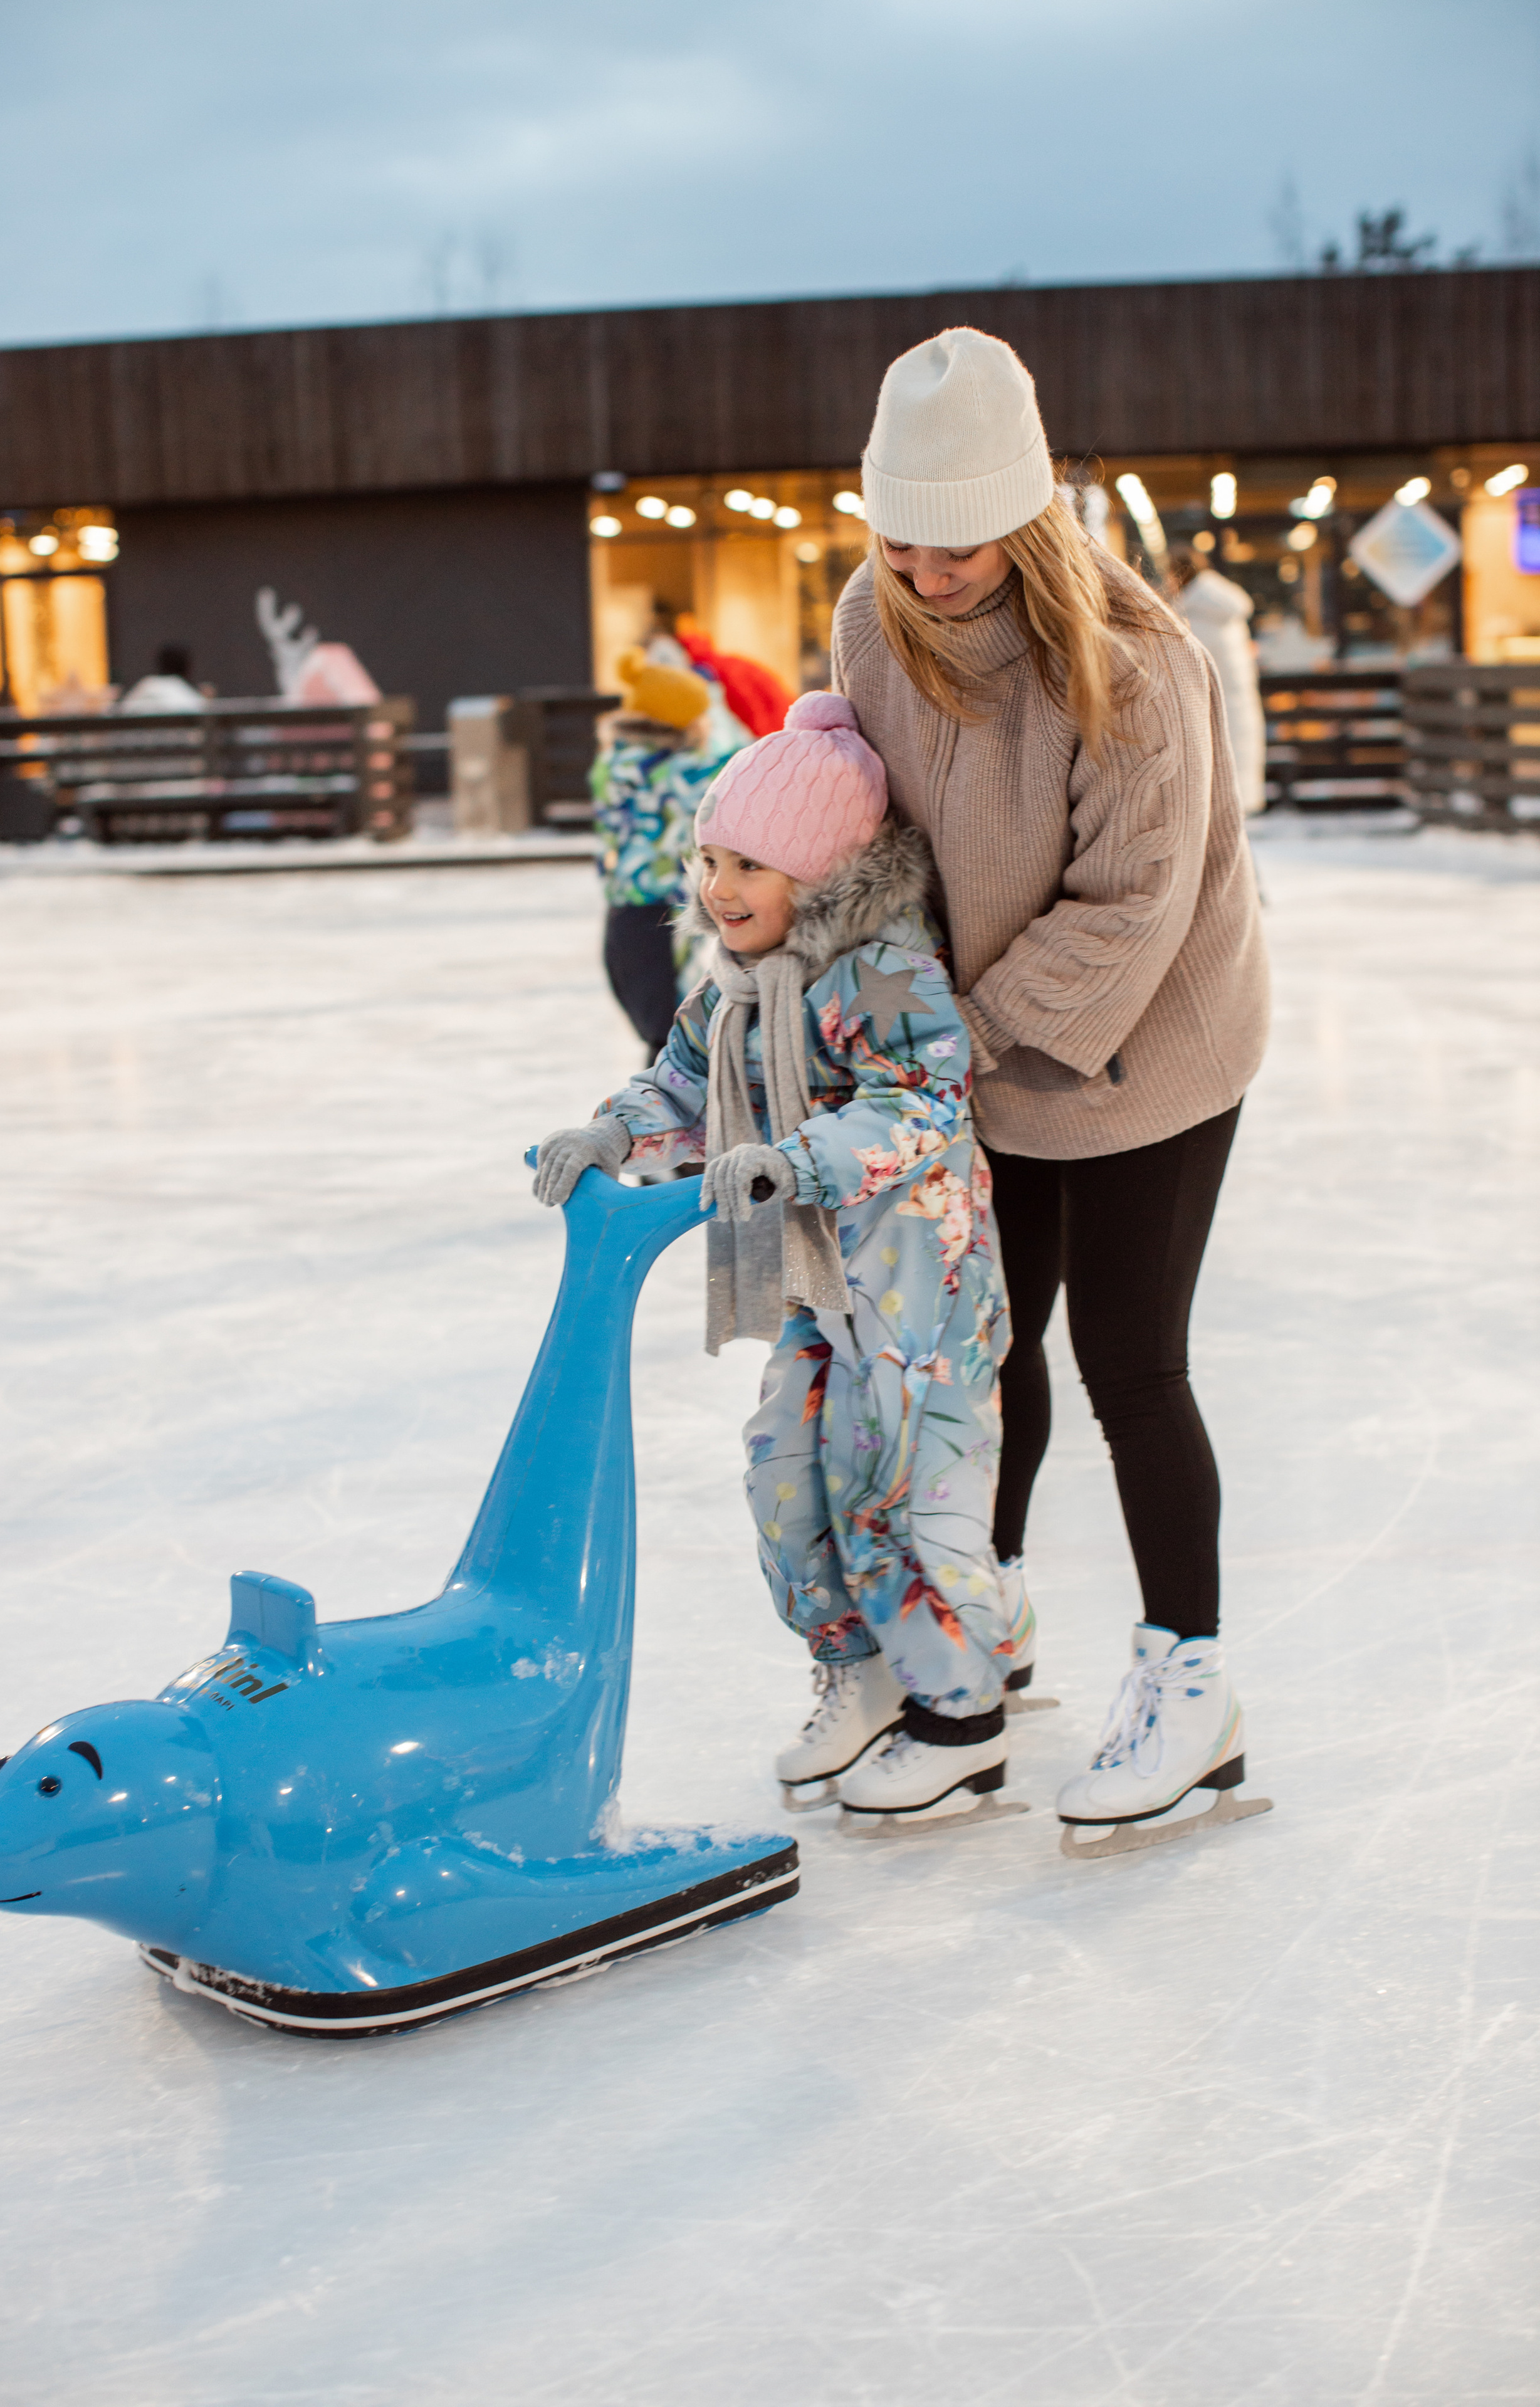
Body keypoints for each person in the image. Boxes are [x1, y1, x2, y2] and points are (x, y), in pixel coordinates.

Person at [832, 327, 1272, 1854]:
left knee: (1126, 1360)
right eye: (897, 537)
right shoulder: (866, 622)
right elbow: (866, 830)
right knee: (977, 1342)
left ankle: (1187, 1679)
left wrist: (956, 1024)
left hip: (1152, 1038)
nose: (924, 568)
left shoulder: (1138, 662)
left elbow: (1127, 904)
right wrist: (837, 969)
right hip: (971, 1035)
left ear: (1022, 518)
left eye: (956, 544)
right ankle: (976, 1626)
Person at [535, 695, 1034, 1828]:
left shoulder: (886, 977)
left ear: (820, 875)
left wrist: (802, 1160)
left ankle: (963, 1716)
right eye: (710, 858)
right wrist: (611, 1135)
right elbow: (674, 1082)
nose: (718, 886)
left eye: (749, 863)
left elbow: (925, 1101)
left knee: (895, 1485)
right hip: (817, 1281)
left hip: (918, 1289)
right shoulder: (727, 986)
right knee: (783, 1470)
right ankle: (858, 1673)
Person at [590, 647, 741, 1059]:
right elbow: (739, 769)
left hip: (624, 914)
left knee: (661, 1032)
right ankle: (667, 1113)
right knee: (670, 1034)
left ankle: (666, 1105)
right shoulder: (674, 773)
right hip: (660, 916)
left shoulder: (616, 765)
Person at [1166, 545, 1266, 814]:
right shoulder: (1225, 609)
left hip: (1212, 712)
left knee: (1216, 798)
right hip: (1238, 707)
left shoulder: (1196, 616)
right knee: (1235, 792)